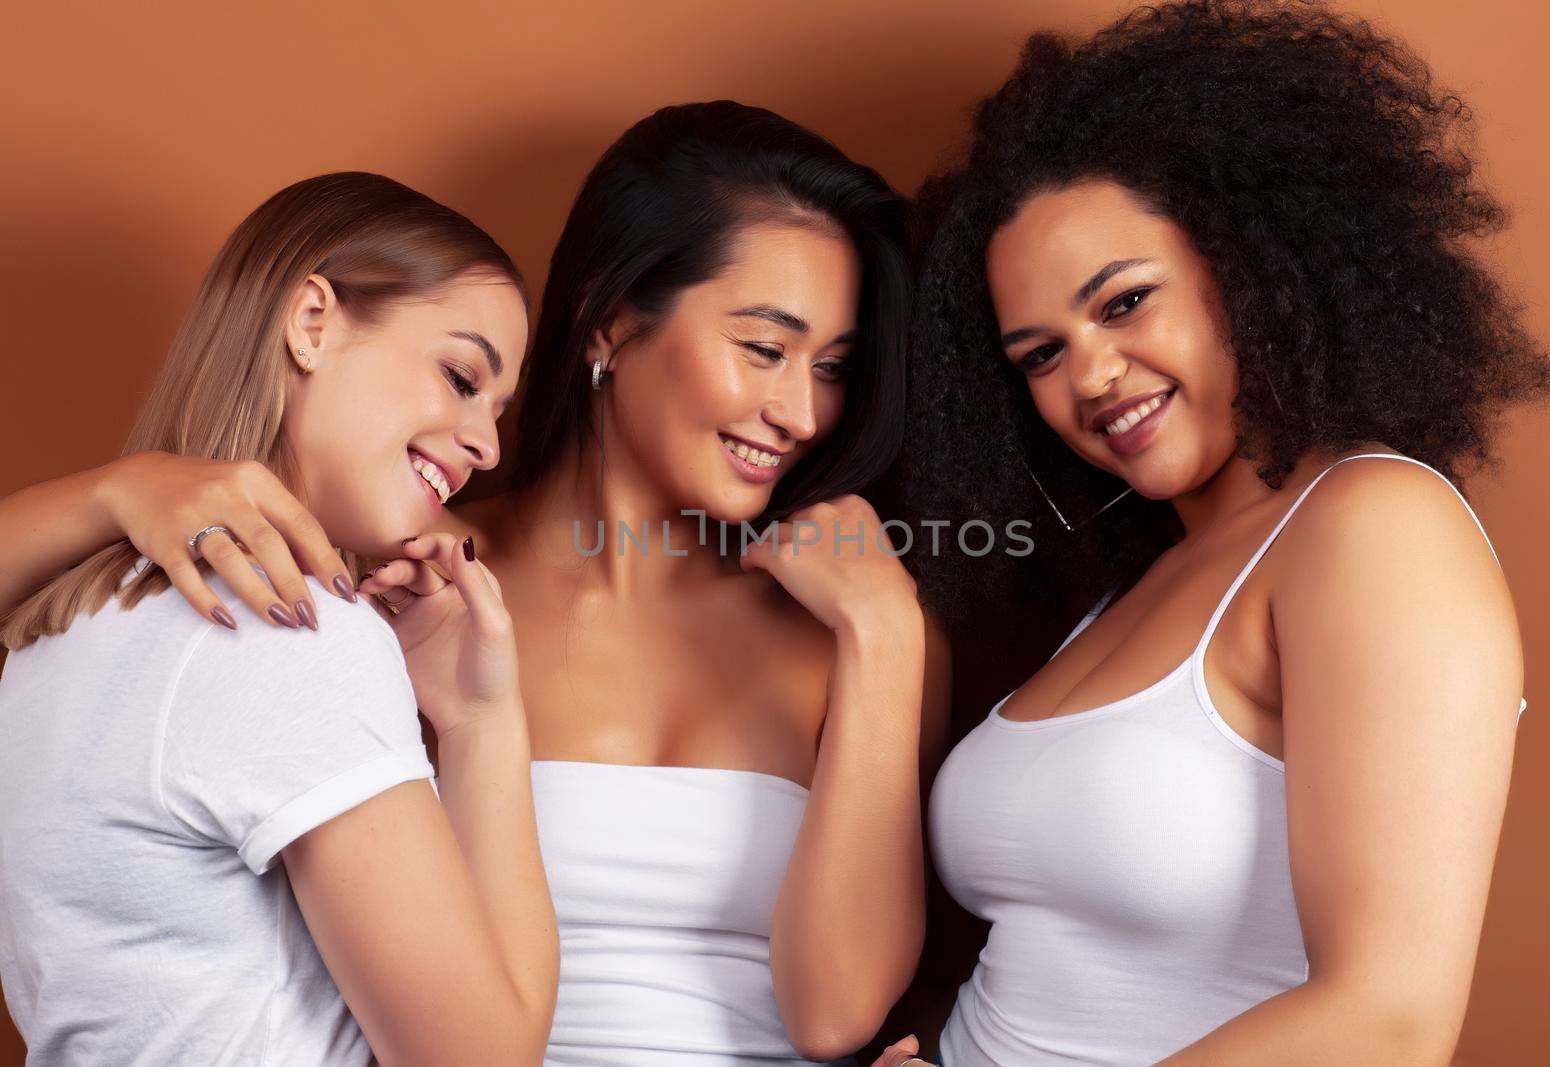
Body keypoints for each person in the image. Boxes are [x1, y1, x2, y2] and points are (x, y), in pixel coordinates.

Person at [0, 103, 949, 1065]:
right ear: (613, 321)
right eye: (764, 348)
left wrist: (886, 631)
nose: (802, 411)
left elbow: (836, 1015)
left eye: (832, 367)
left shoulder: (852, 628)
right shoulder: (392, 564)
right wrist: (120, 489)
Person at [878, 2, 1550, 1063]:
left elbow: (1388, 1016)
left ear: (1248, 268)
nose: (1089, 375)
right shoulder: (1136, 580)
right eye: (1038, 354)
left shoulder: (1371, 526)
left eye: (1124, 302)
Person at [0, 172, 557, 1065]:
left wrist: (114, 489)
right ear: (311, 322)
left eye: (498, 411)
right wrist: (485, 722)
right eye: (461, 377)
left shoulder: (48, 634)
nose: (487, 446)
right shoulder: (294, 632)